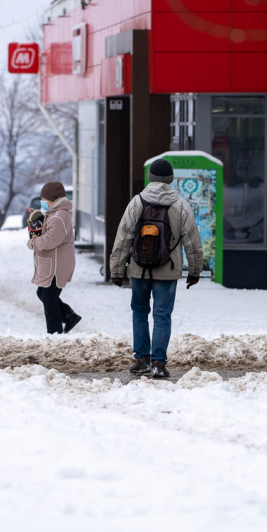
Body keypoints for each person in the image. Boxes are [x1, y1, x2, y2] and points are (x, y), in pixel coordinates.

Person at [109, 159, 204, 379]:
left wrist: (116, 270)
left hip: (138, 268)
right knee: (162, 315)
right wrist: (195, 270)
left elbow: (123, 238)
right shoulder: (181, 205)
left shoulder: (136, 202)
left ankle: (141, 359)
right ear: (170, 179)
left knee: (139, 311)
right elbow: (192, 242)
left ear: (150, 177)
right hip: (168, 270)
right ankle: (158, 363)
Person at [27, 181, 81, 334]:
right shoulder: (54, 214)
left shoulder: (58, 217)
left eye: (44, 200)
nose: (42, 203)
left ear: (53, 199)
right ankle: (69, 315)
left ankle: (55, 333)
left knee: (49, 298)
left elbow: (50, 240)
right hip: (55, 264)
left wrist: (33, 242)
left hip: (57, 266)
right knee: (43, 294)